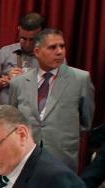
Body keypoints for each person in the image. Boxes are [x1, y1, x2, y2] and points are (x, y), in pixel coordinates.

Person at [8, 28, 94, 168]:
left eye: (62, 46)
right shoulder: (19, 82)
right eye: (52, 47)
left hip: (62, 156)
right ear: (37, 52)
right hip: (26, 154)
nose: (60, 52)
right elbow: (13, 118)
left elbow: (85, 122)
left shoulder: (80, 79)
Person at [0, 11, 45, 104]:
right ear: (19, 29)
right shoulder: (5, 52)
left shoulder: (50, 55)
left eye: (32, 39)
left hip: (36, 114)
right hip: (7, 114)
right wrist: (6, 79)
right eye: (23, 38)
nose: (27, 44)